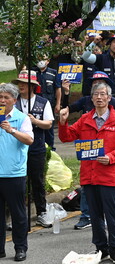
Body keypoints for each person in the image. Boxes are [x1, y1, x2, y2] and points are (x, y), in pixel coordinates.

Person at [59, 81, 115, 264]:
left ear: (109, 98)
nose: (99, 98)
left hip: (109, 176)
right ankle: (101, 247)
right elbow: (66, 136)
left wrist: (111, 157)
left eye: (103, 94)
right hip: (89, 177)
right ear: (91, 98)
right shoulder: (84, 119)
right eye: (96, 95)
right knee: (94, 215)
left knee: (112, 214)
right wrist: (62, 122)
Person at [12, 70, 53, 228]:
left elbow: (49, 123)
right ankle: (19, 216)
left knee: (37, 181)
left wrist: (34, 120)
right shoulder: (13, 102)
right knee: (18, 182)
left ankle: (41, 212)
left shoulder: (43, 102)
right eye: (19, 83)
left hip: (36, 148)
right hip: (16, 148)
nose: (21, 86)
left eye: (24, 83)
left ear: (32, 86)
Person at [0, 82, 34, 261]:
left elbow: (29, 139)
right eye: (0, 97)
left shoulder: (21, 118)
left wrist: (11, 130)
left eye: (6, 97)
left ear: (14, 100)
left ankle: (20, 248)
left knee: (18, 214)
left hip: (14, 174)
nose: (2, 100)